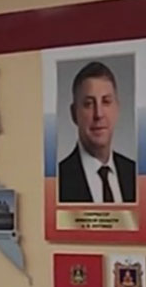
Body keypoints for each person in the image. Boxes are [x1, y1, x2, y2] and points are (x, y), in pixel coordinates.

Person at [57, 61, 138, 204]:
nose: (99, 114)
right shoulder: (57, 181)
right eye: (88, 104)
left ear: (117, 109)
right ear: (74, 114)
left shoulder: (135, 174)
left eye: (106, 102)